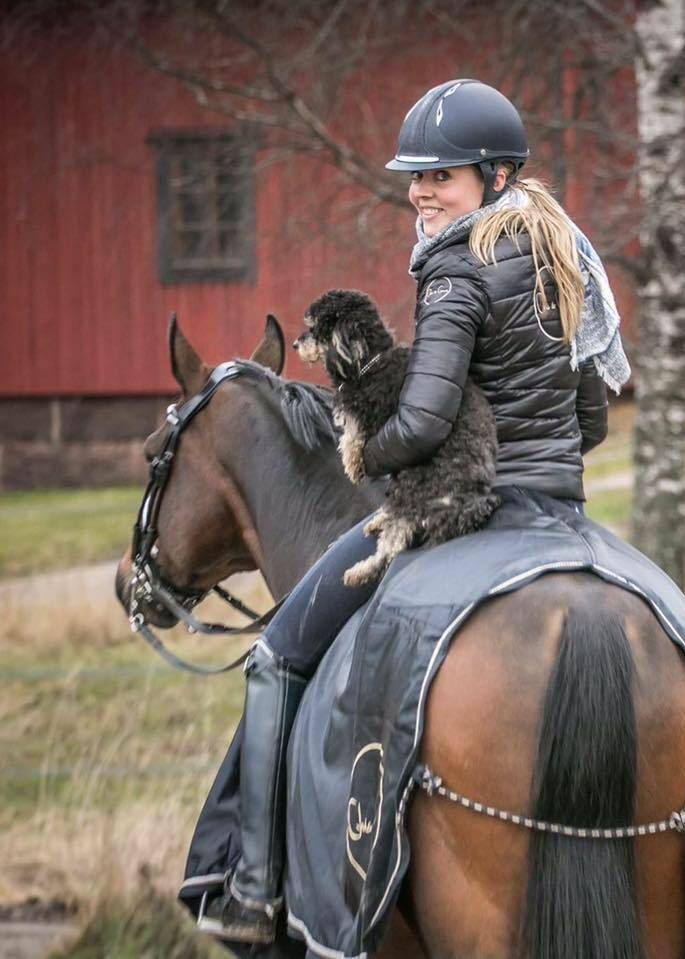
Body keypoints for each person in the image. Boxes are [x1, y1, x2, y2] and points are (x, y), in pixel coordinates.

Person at [197, 78, 630, 945]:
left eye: (447, 176)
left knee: (278, 654)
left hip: (465, 512)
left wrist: (368, 453)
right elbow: (592, 414)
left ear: (498, 175)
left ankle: (249, 885)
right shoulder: (566, 257)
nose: (425, 192)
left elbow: (427, 418)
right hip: (560, 511)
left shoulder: (457, 263)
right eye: (418, 176)